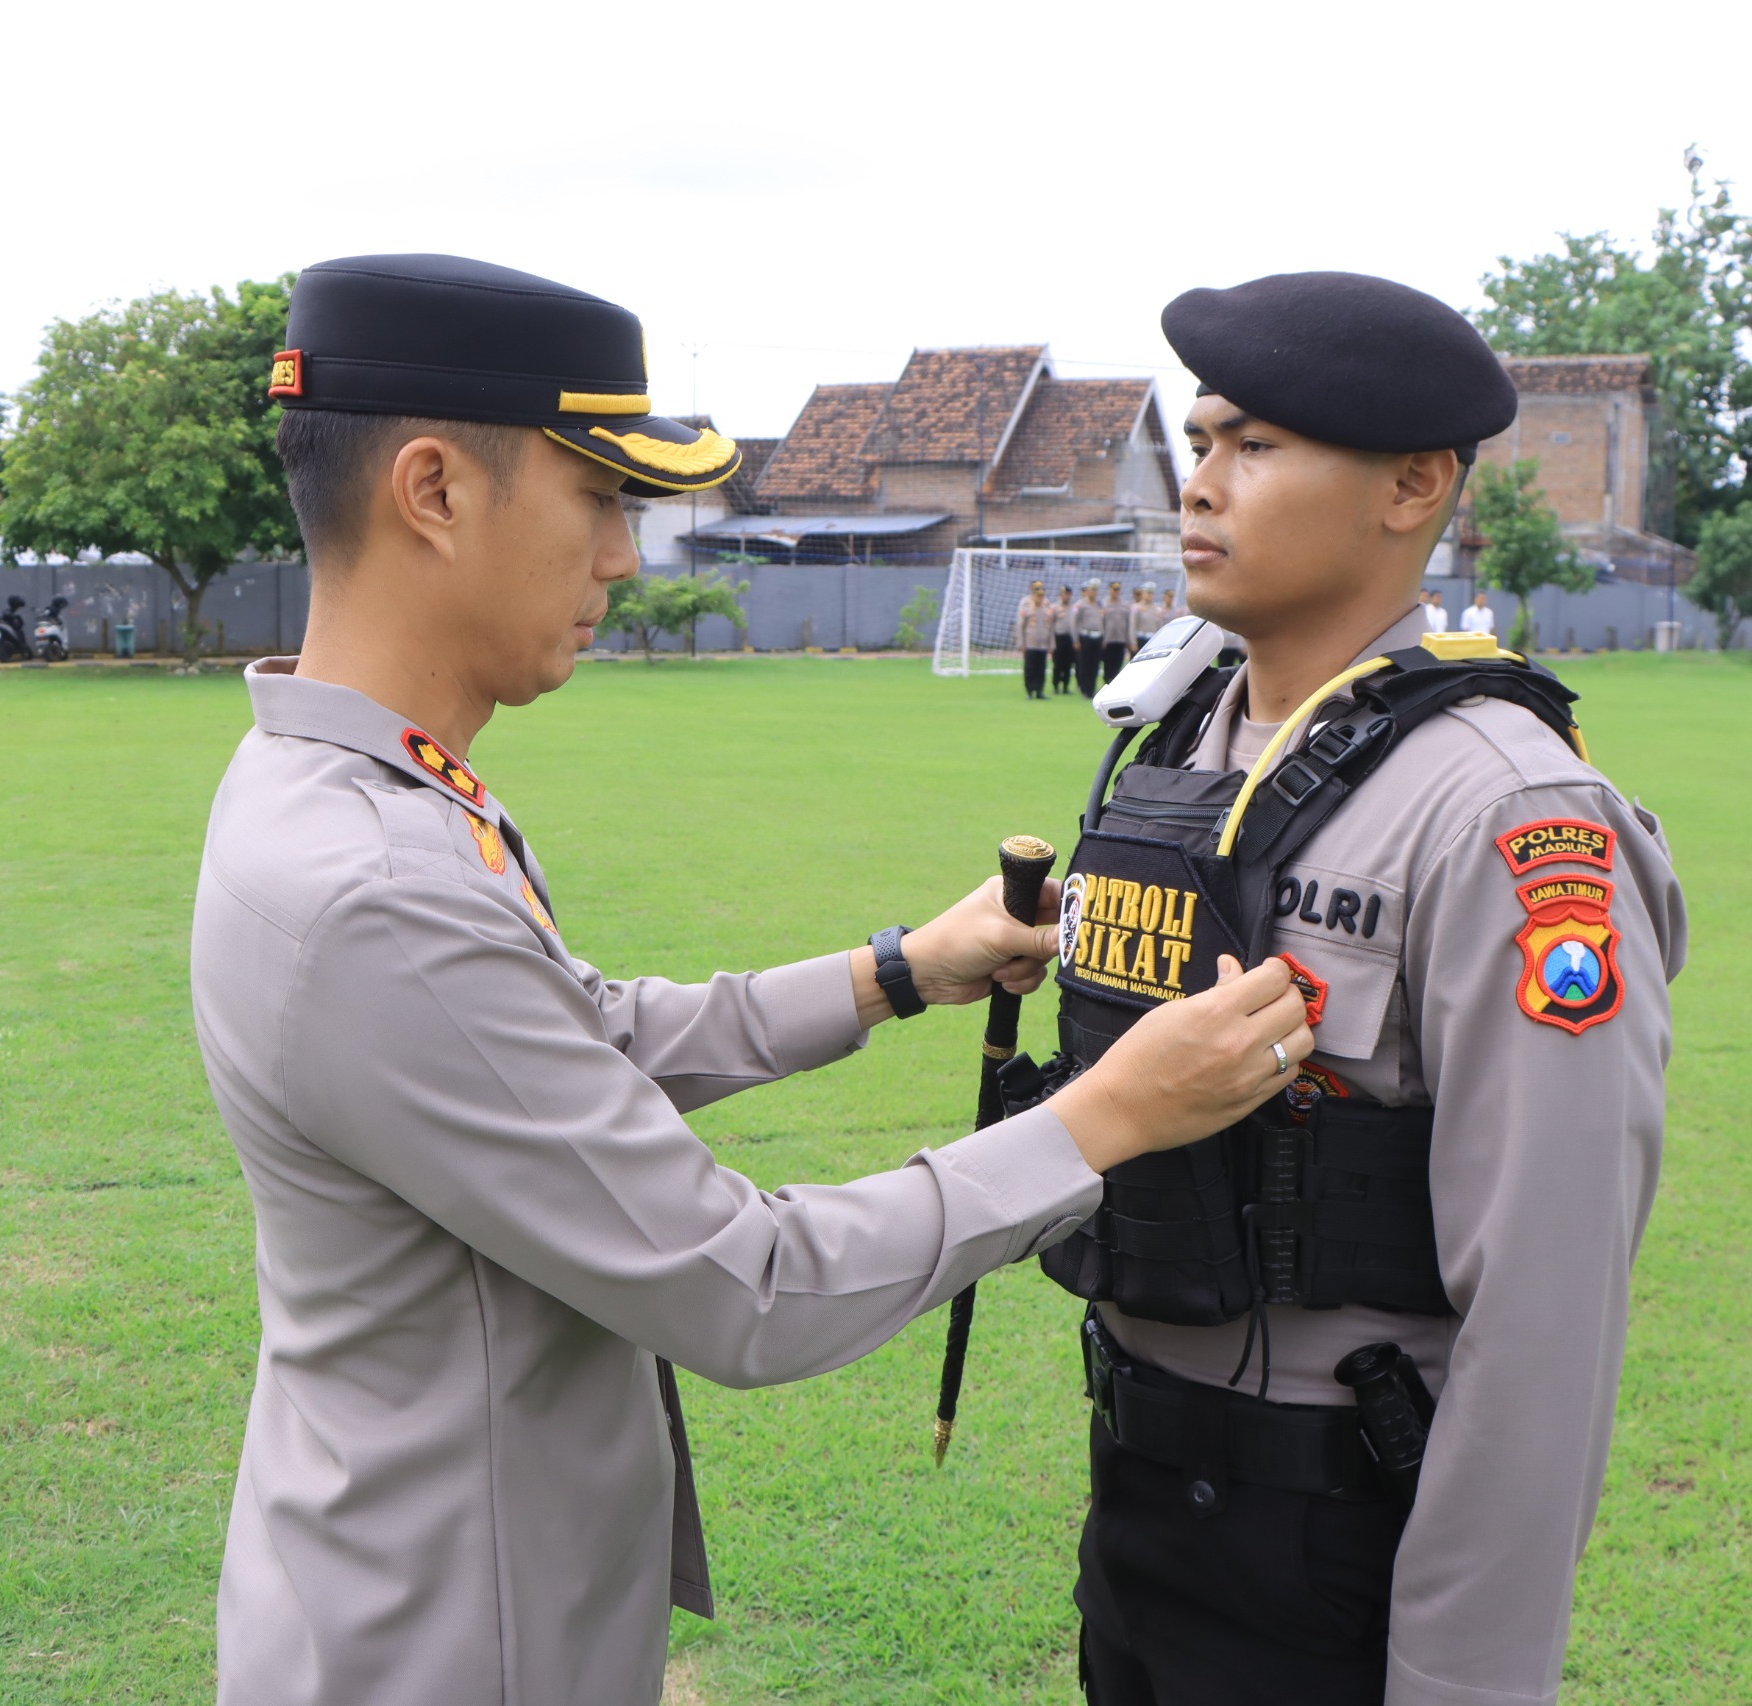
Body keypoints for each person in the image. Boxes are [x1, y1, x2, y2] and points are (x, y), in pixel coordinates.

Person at [193, 253, 1322, 1706]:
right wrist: (1100, 1119)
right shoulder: (376, 885)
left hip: (417, 1578)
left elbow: (580, 1035)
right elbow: (751, 1285)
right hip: (448, 1639)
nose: (620, 553)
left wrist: (899, 971)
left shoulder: (337, 787)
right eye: (599, 495)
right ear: (434, 490)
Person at [1047, 271, 1685, 1706]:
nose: (1200, 483)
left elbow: (1544, 1309)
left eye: (1256, 446)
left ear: (1413, 485)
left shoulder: (1509, 818)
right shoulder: (1185, 749)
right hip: (1143, 1503)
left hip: (1332, 1542)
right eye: (1200, 438)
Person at [1015, 580, 1055, 699]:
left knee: (1041, 669)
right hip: (1030, 643)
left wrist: (1051, 644)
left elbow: (1051, 626)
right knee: (1030, 668)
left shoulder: (1047, 606)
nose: (1040, 597)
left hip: (1042, 644)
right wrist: (1021, 643)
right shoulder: (1026, 605)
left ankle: (1039, 690)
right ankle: (1030, 691)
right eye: (1037, 593)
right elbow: (1020, 625)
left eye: (1041, 594)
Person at [1077, 580, 1109, 697]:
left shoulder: (1099, 604)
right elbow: (1076, 622)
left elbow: (1103, 622)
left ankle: (1092, 688)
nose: (1094, 592)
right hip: (1086, 636)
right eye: (1092, 590)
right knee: (1085, 664)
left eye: (1096, 590)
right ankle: (1085, 689)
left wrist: (1104, 637)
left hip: (1097, 637)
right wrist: (1076, 639)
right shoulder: (1081, 604)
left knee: (1095, 665)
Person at [1053, 586, 1080, 695]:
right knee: (1058, 664)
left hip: (1069, 638)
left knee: (1068, 664)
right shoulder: (1054, 607)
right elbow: (1051, 624)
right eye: (1064, 594)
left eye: (1068, 594)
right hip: (1059, 637)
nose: (1067, 596)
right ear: (1060, 595)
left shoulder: (1073, 608)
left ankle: (1065, 686)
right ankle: (1056, 686)